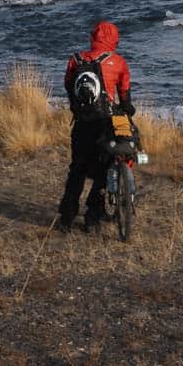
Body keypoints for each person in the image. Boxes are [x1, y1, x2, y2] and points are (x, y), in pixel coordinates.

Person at [55, 19, 135, 233]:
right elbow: (124, 93)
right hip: (105, 124)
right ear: (114, 40)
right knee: (102, 170)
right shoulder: (118, 62)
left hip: (82, 123)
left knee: (77, 169)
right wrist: (127, 108)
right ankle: (92, 218)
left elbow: (68, 86)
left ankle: (66, 218)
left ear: (94, 37)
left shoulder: (76, 59)